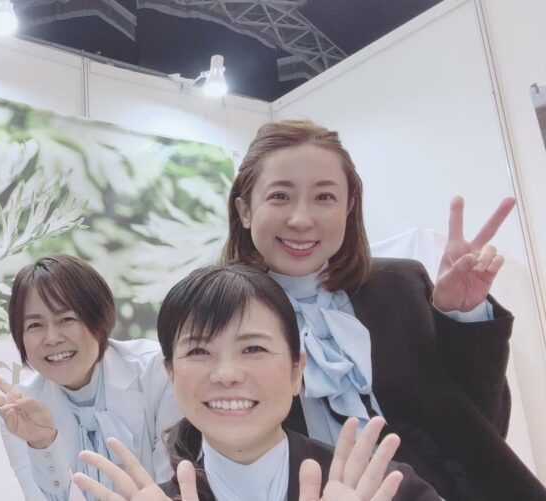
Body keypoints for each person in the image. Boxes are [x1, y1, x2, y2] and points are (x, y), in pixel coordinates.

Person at [222, 119, 545, 500]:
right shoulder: (222, 318)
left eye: (324, 197)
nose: (301, 219)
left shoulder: (400, 285)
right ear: (245, 210)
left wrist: (462, 316)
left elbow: (480, 430)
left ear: (349, 207)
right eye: (280, 196)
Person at [72, 265, 440, 501]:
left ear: (297, 371)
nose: (226, 373)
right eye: (199, 351)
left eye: (253, 348)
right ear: (170, 373)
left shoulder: (377, 488)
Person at [0, 255, 181, 501]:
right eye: (35, 325)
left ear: (99, 318)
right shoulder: (21, 408)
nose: (52, 338)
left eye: (67, 319)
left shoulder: (157, 371)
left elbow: (177, 485)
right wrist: (43, 444)